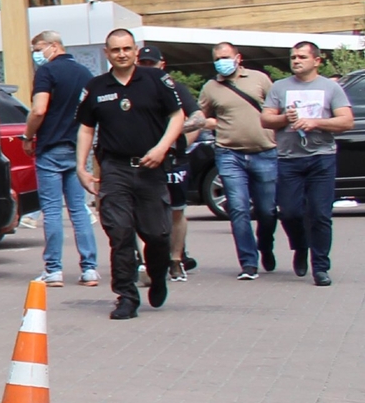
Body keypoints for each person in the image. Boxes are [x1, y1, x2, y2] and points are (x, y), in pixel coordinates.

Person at [77, 28, 184, 320]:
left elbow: (177, 116)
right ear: (106, 53)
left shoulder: (156, 80)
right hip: (115, 169)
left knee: (158, 235)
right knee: (120, 234)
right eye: (115, 50)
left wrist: (163, 148)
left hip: (151, 168)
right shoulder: (96, 87)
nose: (122, 54)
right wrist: (82, 168)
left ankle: (158, 275)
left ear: (135, 50)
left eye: (127, 48)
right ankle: (126, 296)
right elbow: (86, 128)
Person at [262, 40, 354, 287]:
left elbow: (346, 121)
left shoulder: (330, 88)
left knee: (320, 214)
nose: (296, 61)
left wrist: (317, 123)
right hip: (289, 159)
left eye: (302, 57)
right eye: (293, 57)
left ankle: (321, 267)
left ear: (317, 61)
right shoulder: (280, 87)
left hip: (321, 158)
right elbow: (265, 119)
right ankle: (301, 246)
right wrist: (283, 118)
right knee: (290, 212)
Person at [24, 31, 99, 287]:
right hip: (77, 148)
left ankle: (54, 269)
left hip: (51, 147)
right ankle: (89, 268)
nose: (36, 54)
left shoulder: (47, 73)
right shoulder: (85, 74)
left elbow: (39, 109)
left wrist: (27, 136)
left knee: (53, 210)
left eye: (37, 48)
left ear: (53, 46)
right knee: (79, 210)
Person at [198, 41, 278, 278]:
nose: (221, 62)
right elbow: (200, 116)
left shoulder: (260, 79)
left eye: (226, 57)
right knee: (238, 208)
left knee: (267, 210)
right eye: (217, 58)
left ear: (238, 58)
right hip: (229, 154)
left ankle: (265, 244)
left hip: (264, 151)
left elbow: (276, 110)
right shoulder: (211, 87)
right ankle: (248, 262)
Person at [138, 45, 201, 281]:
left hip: (174, 159)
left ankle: (176, 260)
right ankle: (148, 260)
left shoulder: (174, 88)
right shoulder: (132, 90)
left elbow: (198, 118)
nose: (147, 69)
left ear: (161, 64)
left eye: (151, 64)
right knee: (145, 211)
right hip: (143, 159)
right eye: (142, 64)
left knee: (176, 210)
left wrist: (171, 131)